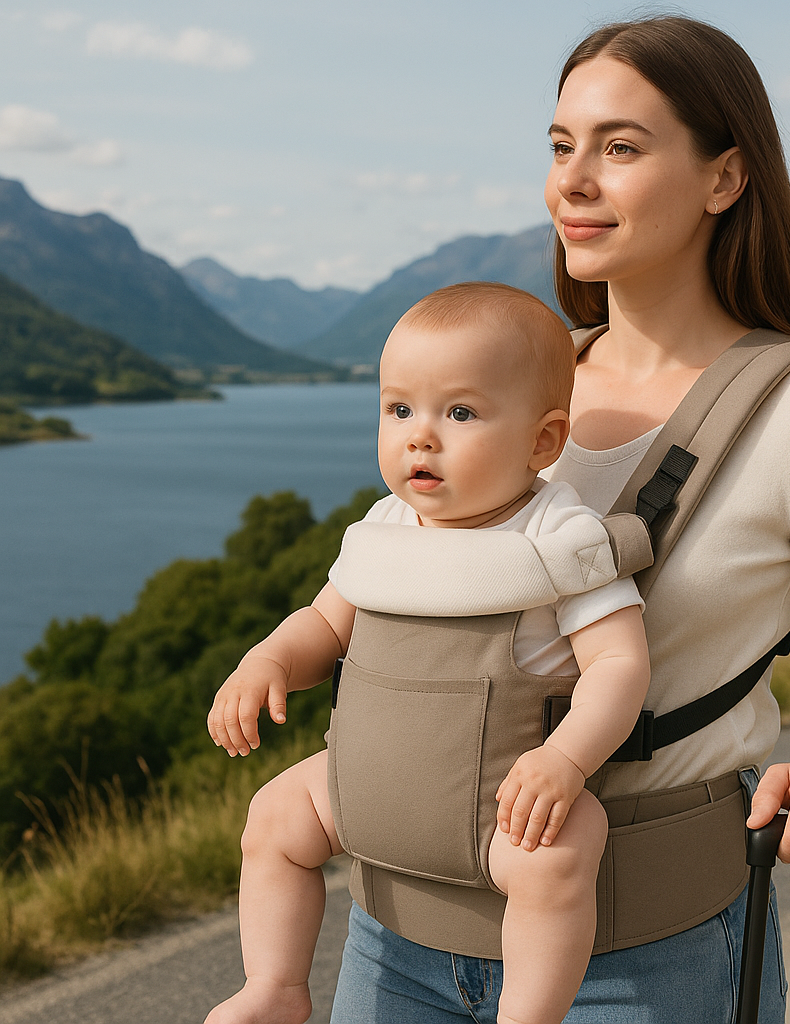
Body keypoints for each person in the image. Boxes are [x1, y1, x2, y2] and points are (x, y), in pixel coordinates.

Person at [327, 15, 790, 1024]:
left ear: (724, 177)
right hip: (395, 932)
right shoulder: (510, 382)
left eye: (619, 148)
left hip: (649, 955)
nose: (571, 181)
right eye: (560, 146)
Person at [204, 282, 651, 1024]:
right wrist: (269, 662)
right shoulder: (386, 526)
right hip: (364, 790)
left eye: (460, 413)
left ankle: (527, 1014)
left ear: (543, 442)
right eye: (399, 409)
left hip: (496, 807)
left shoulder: (557, 538)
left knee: (563, 852)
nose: (421, 436)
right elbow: (324, 624)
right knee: (276, 815)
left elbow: (619, 665)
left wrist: (566, 759)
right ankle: (275, 985)